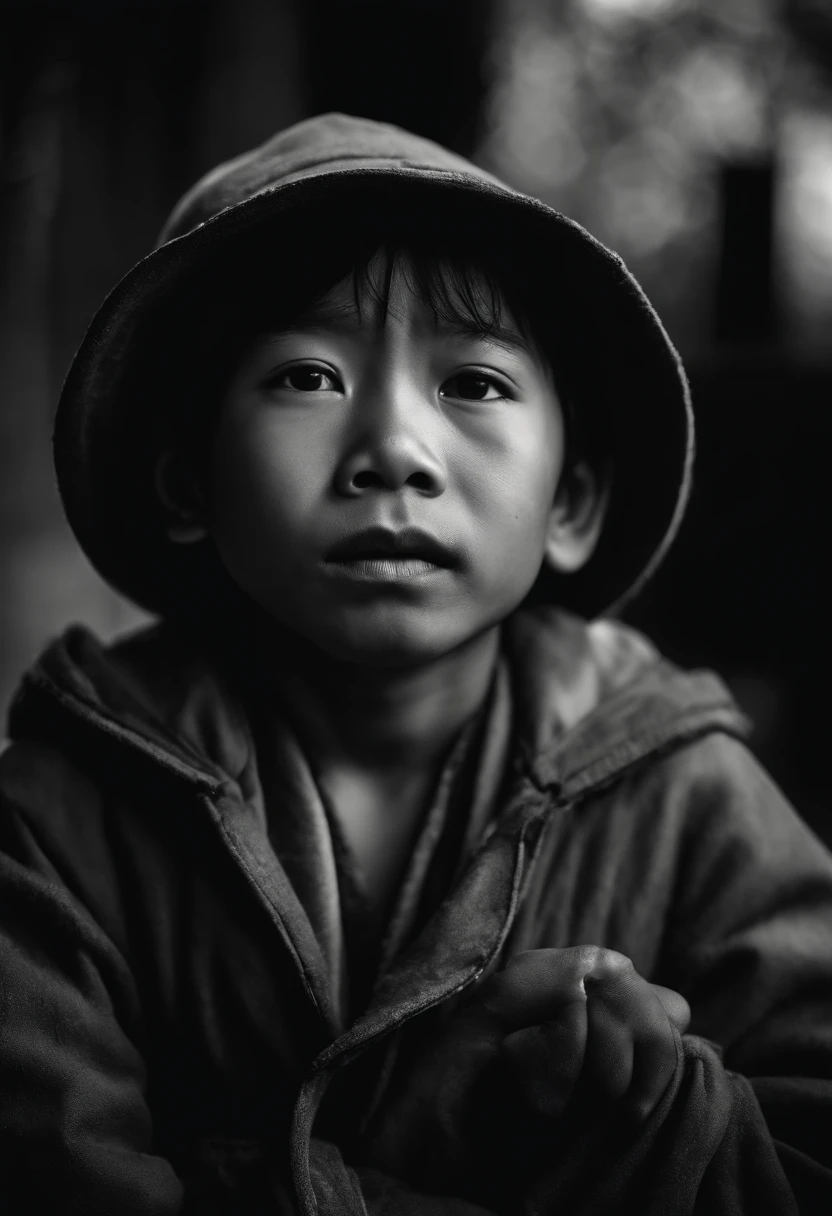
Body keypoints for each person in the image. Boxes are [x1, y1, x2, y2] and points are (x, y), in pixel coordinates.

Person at [0, 112, 830, 1216]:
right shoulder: (61, 821)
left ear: (569, 504)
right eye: (305, 375)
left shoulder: (682, 794)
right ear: (186, 483)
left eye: (475, 385)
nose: (393, 449)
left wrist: (657, 1111)